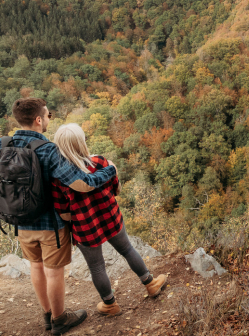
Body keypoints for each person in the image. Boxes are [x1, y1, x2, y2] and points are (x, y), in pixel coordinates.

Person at [0, 98, 118, 335]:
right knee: (54, 271)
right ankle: (60, 319)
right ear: (38, 119)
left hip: (19, 221)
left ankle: (47, 316)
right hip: (50, 225)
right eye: (48, 116)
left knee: (35, 267)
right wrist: (109, 170)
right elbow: (82, 184)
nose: (49, 120)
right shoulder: (49, 150)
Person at [51, 123, 167, 317]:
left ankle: (110, 305)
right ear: (82, 142)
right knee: (128, 249)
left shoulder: (58, 178)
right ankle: (151, 284)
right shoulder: (100, 162)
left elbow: (63, 213)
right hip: (110, 217)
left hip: (85, 228)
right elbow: (117, 189)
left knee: (96, 266)